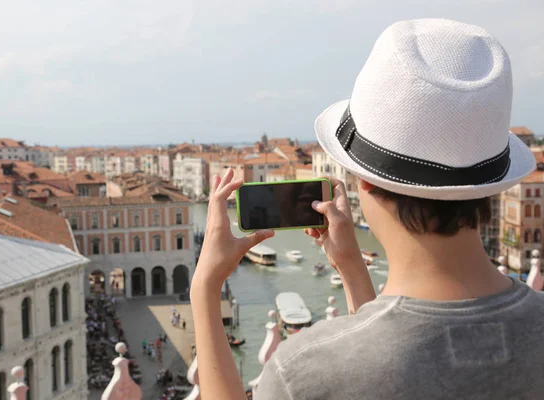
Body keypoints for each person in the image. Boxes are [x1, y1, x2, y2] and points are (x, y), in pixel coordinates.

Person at [190, 19, 544, 400]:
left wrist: (205, 287)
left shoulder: (305, 374)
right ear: (490, 187)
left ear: (367, 183)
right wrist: (352, 267)